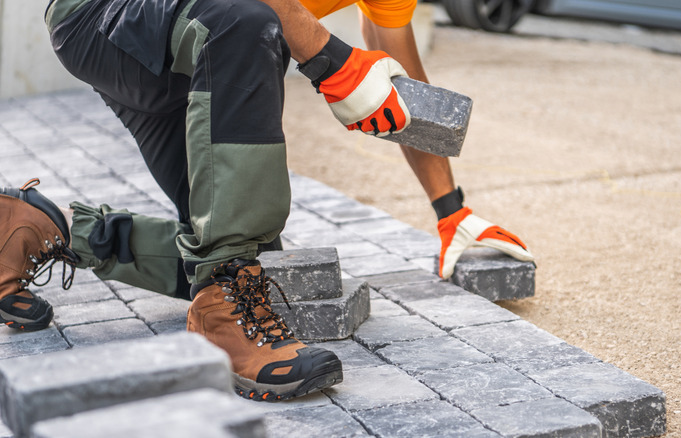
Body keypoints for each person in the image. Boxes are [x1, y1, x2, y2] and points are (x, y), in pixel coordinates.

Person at [0, 0, 534, 401]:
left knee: (249, 255)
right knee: (249, 22)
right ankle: (220, 314)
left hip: (188, 43)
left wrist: (451, 212)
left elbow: (404, 89)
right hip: (113, 17)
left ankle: (39, 229)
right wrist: (332, 61)